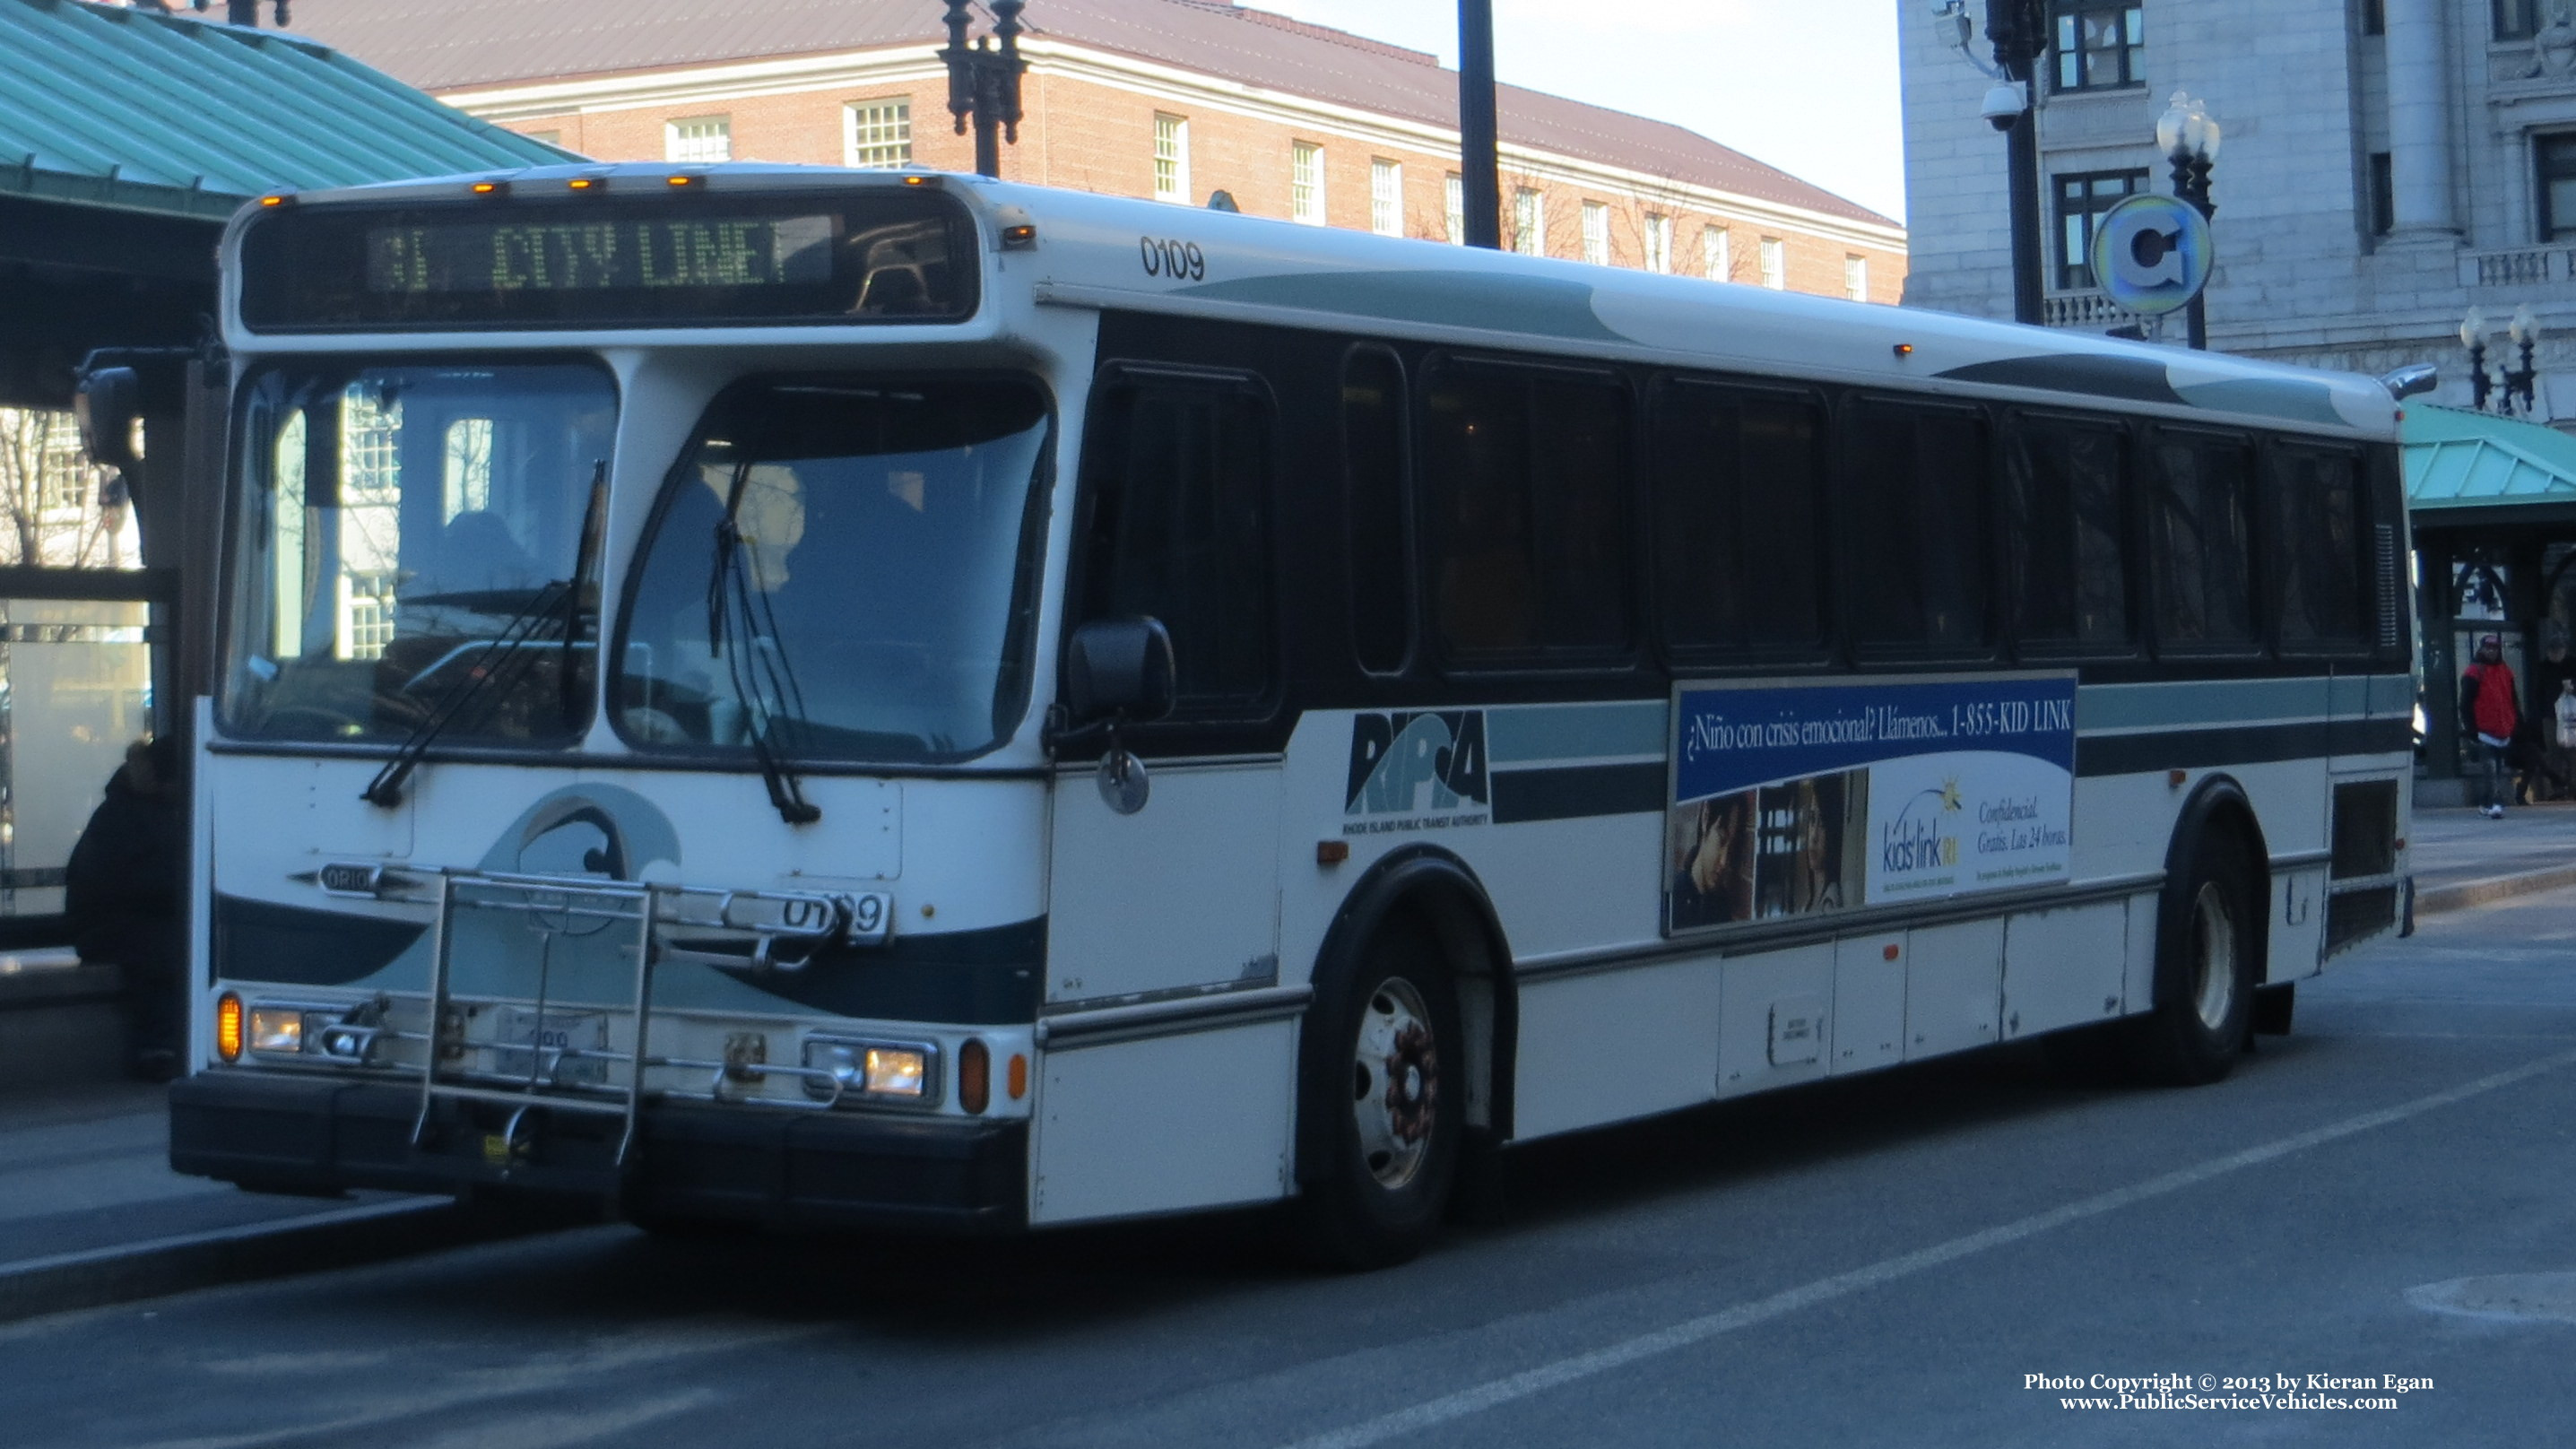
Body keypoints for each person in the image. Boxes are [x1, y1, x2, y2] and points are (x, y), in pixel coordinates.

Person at [65, 737, 186, 1081]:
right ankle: (157, 1047)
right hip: (113, 925)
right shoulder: (132, 815)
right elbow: (149, 883)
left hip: (119, 920)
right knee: (165, 951)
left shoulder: (133, 808)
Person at [2461, 635, 2520, 819]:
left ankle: (2488, 801)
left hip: (2502, 727)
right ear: (2482, 649)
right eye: (2488, 647)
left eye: (2495, 648)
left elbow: (2513, 698)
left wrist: (2515, 721)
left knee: (2497, 768)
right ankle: (2495, 802)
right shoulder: (2473, 673)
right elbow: (2465, 703)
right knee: (2491, 767)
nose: (2492, 651)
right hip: (2484, 727)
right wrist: (2471, 728)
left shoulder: (2505, 671)